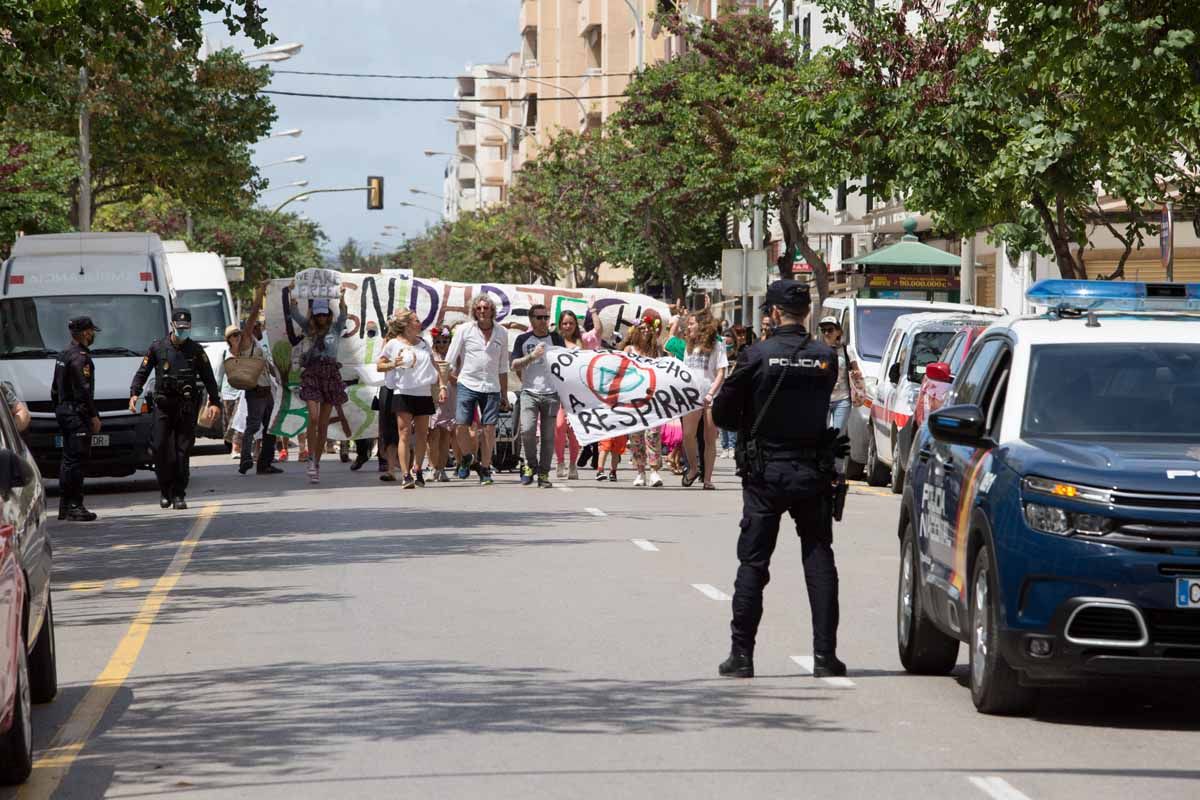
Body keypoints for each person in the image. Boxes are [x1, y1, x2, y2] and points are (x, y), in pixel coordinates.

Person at [712, 280, 845, 680]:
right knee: (819, 557)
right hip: (812, 470)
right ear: (806, 314)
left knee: (753, 563)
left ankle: (742, 656)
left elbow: (721, 414)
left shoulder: (757, 355)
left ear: (772, 313)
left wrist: (751, 422)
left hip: (766, 472)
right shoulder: (826, 357)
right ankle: (825, 657)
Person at [129, 309, 222, 510]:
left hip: (186, 407)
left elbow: (209, 379)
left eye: (186, 328)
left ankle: (179, 494)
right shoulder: (158, 348)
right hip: (163, 407)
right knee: (160, 448)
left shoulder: (196, 350)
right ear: (172, 326)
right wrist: (134, 393)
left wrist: (215, 402)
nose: (183, 331)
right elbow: (142, 372)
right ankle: (165, 491)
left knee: (182, 451)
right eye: (179, 328)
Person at [445, 293, 510, 486]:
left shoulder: (502, 332)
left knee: (489, 429)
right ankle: (466, 457)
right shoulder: (465, 330)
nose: (482, 311)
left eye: (486, 308)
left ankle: (485, 467)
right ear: (474, 310)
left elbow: (503, 366)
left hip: (491, 386)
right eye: (479, 308)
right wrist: (442, 384)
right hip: (467, 383)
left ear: (492, 311)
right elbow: (449, 360)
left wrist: (504, 394)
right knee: (460, 425)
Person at [377, 310, 446, 488]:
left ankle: (418, 469)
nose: (419, 323)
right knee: (405, 433)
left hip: (423, 393)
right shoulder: (393, 344)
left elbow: (434, 366)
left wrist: (442, 386)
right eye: (416, 320)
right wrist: (394, 364)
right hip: (403, 392)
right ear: (407, 324)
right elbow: (379, 365)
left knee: (423, 435)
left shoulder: (423, 343)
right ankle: (406, 475)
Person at [289, 287, 349, 484]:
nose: (322, 316)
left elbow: (344, 313)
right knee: (313, 418)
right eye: (319, 313)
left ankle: (316, 463)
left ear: (328, 314)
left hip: (330, 375)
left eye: (324, 313)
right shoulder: (309, 329)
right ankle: (310, 457)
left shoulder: (336, 328)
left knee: (323, 424)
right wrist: (293, 295)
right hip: (313, 373)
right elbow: (295, 314)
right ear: (315, 314)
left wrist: (342, 296)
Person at [229, 282, 282, 476]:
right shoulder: (246, 341)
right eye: (256, 325)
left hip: (266, 388)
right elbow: (252, 316)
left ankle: (264, 463)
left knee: (271, 425)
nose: (259, 327)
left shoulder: (257, 342)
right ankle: (245, 459)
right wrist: (259, 295)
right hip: (256, 390)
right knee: (253, 425)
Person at [53, 317, 102, 521]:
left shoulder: (64, 354)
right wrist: (94, 416)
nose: (93, 335)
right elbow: (84, 390)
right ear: (84, 333)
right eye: (91, 331)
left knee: (68, 460)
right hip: (77, 414)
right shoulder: (80, 358)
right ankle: (75, 505)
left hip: (64, 411)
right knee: (78, 461)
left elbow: (54, 389)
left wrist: (60, 409)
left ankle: (65, 506)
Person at [512, 303, 565, 489]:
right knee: (527, 430)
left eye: (546, 317)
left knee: (548, 437)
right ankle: (530, 464)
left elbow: (566, 365)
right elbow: (514, 365)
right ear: (531, 319)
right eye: (539, 317)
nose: (543, 321)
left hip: (551, 393)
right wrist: (532, 357)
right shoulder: (523, 339)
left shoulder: (556, 338)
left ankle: (543, 473)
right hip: (529, 392)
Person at [681, 312, 728, 490]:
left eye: (691, 323)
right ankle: (693, 468)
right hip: (691, 397)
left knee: (709, 438)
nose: (689, 327)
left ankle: (707, 478)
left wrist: (711, 393)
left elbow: (721, 373)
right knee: (687, 435)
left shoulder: (717, 345)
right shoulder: (689, 346)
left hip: (711, 397)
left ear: (701, 326)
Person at [557, 304, 604, 477]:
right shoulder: (555, 341)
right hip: (559, 391)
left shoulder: (583, 340)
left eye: (571, 323)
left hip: (578, 392)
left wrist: (593, 311)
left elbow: (598, 331)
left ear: (575, 325)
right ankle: (560, 462)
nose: (568, 326)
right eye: (564, 323)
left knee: (574, 429)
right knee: (559, 426)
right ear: (560, 325)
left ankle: (572, 465)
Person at [623, 314, 665, 488]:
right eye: (642, 328)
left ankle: (654, 471)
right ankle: (640, 471)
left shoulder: (657, 350)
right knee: (636, 436)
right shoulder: (628, 350)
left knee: (653, 434)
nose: (646, 330)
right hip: (633, 399)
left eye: (649, 327)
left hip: (652, 399)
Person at [819, 316, 864, 450]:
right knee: (821, 435)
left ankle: (836, 468)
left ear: (838, 332)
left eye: (830, 330)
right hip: (822, 399)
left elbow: (857, 370)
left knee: (837, 436)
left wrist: (856, 374)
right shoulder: (818, 350)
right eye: (823, 330)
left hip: (842, 399)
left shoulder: (846, 350)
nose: (826, 333)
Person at [719, 325, 754, 459]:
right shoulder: (721, 354)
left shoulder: (741, 353)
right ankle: (724, 446)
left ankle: (732, 446)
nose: (727, 345)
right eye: (725, 342)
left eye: (730, 342)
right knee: (722, 419)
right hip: (722, 387)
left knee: (732, 417)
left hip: (734, 388)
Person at [427, 326, 456, 482]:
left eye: (445, 341)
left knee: (446, 435)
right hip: (434, 397)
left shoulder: (455, 356)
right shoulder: (431, 356)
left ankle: (441, 468)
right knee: (432, 434)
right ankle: (431, 467)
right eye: (438, 341)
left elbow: (460, 380)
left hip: (450, 397)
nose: (442, 344)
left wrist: (448, 376)